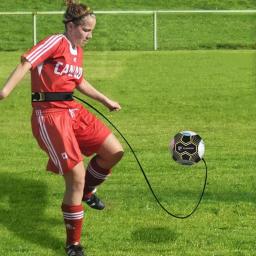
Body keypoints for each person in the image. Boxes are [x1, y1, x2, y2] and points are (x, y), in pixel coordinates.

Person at [0, 1, 124, 255]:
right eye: (86, 30)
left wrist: (105, 100)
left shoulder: (77, 51)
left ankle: (88, 191)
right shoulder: (55, 41)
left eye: (92, 31)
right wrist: (4, 92)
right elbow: (27, 62)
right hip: (50, 116)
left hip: (73, 111)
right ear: (71, 26)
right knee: (75, 177)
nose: (89, 36)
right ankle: (73, 244)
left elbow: (78, 81)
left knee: (114, 151)